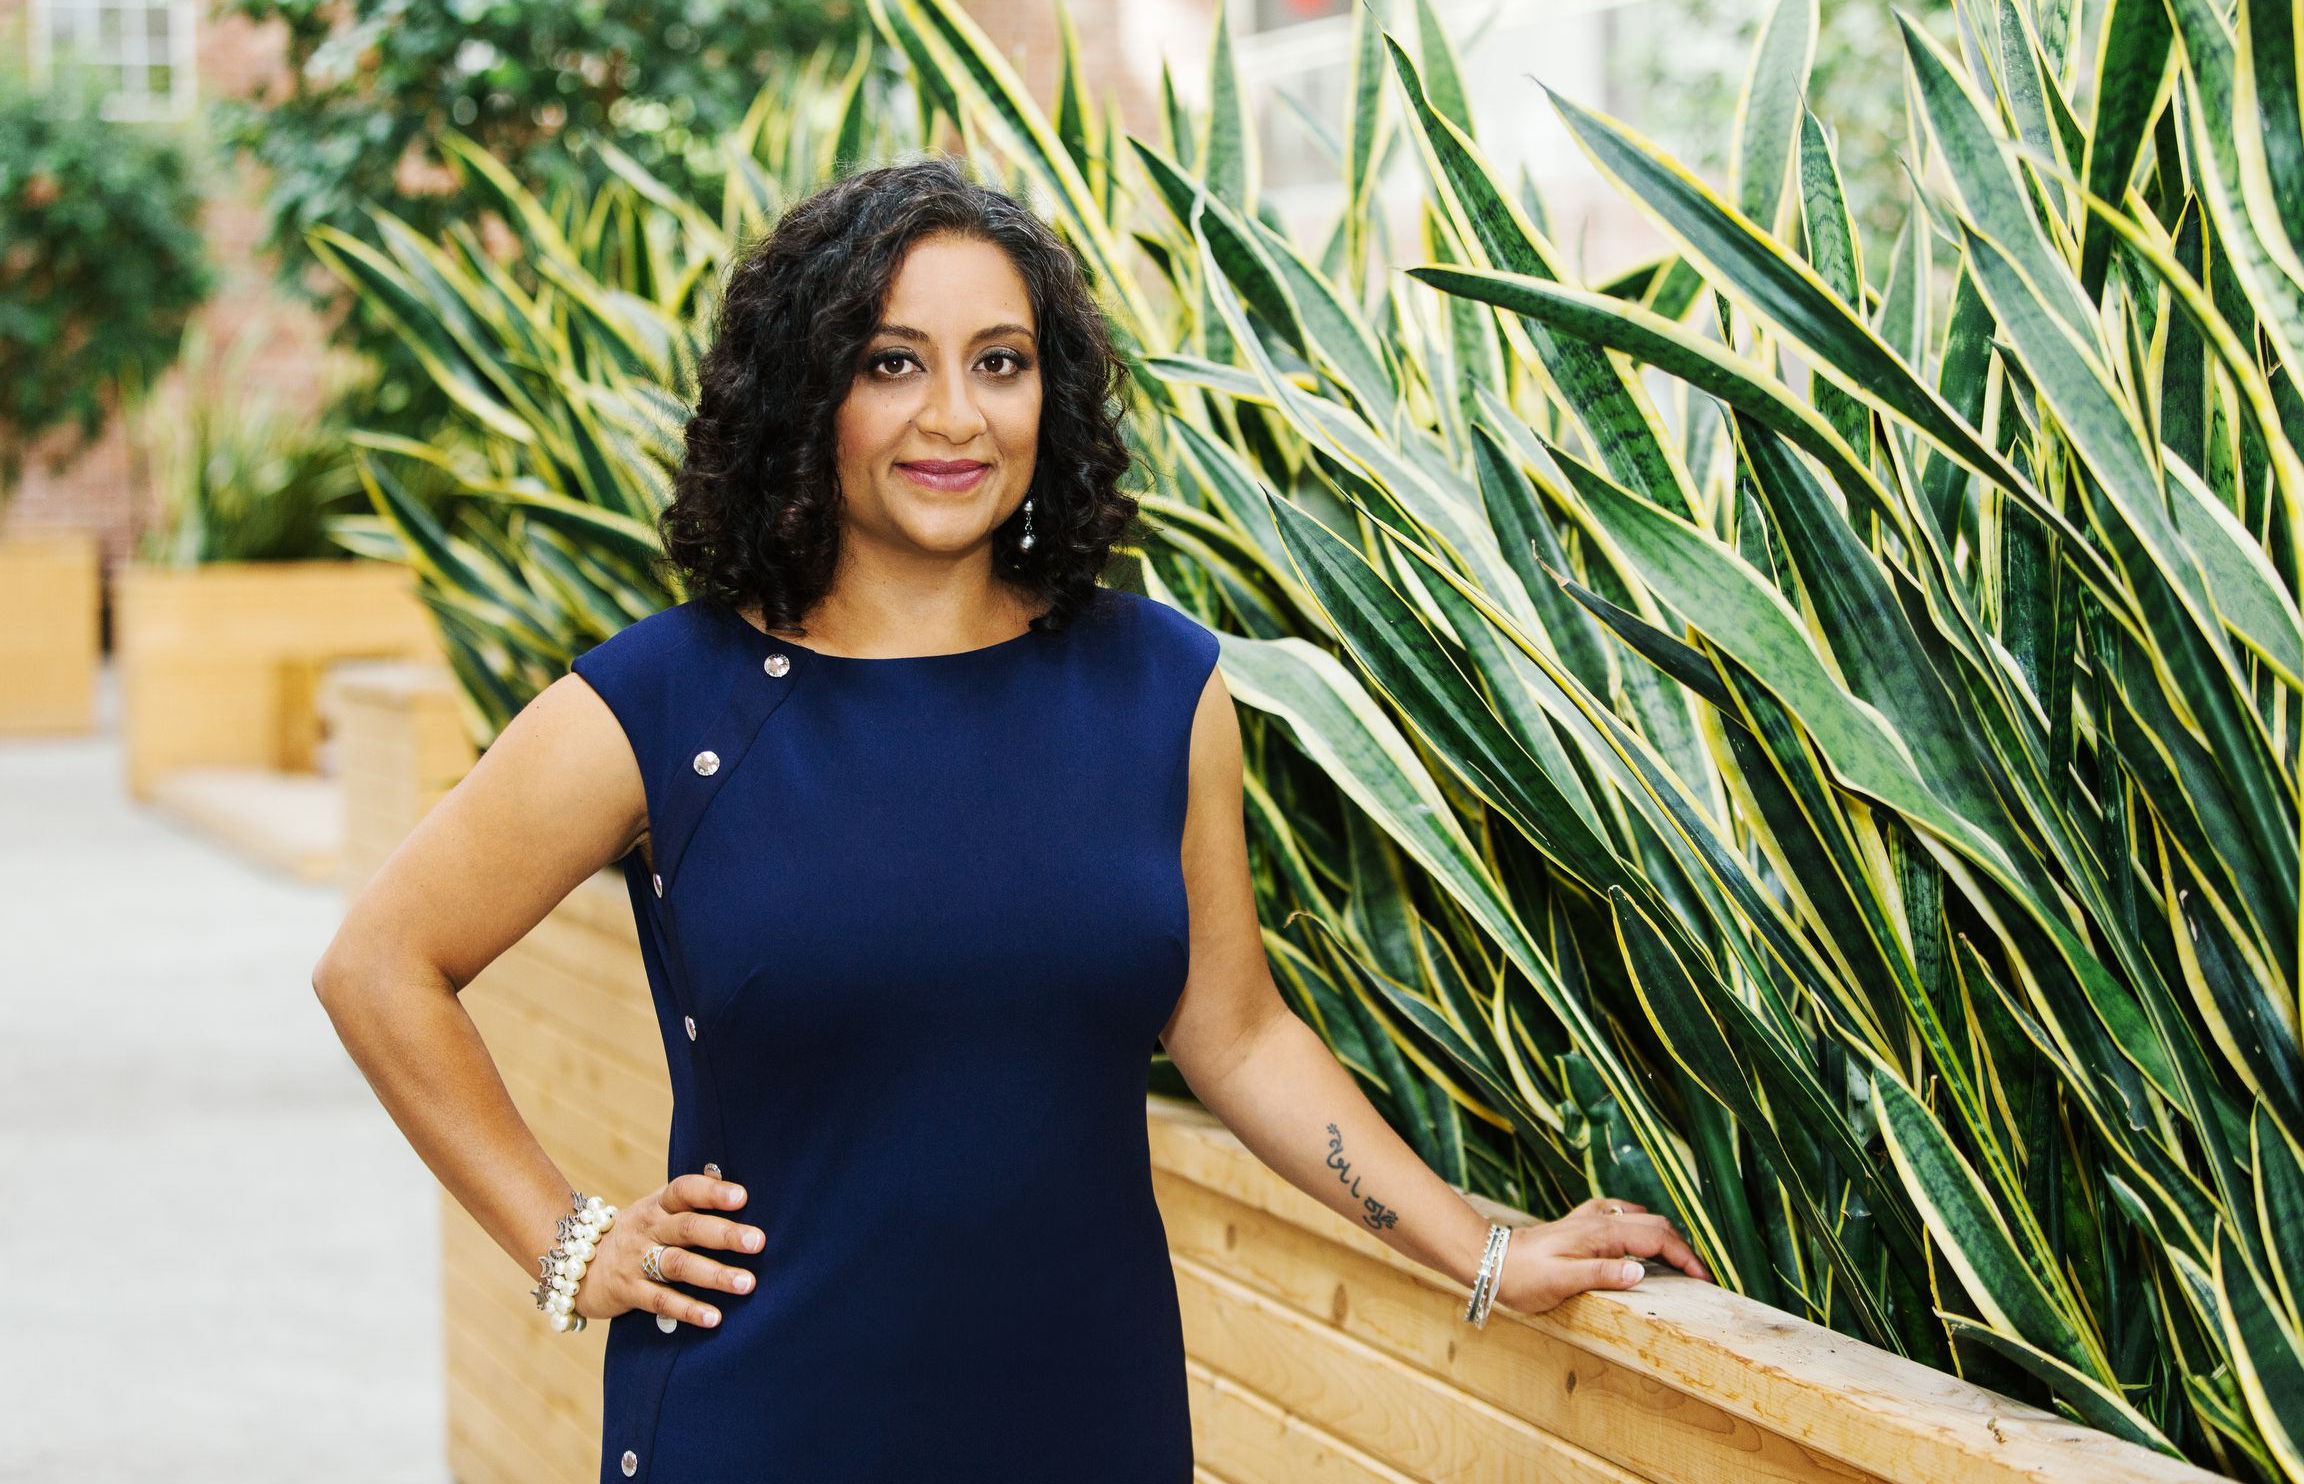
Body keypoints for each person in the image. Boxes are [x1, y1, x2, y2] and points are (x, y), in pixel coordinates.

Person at [311, 154, 1708, 1483]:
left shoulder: (1160, 688)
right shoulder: (677, 702)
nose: (954, 419)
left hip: (1080, 1414)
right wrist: (572, 1245)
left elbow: (1235, 1031)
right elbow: (380, 964)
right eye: (890, 363)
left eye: (1000, 363)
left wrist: (1487, 1254)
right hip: (768, 1418)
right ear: (811, 395)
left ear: (1052, 396)